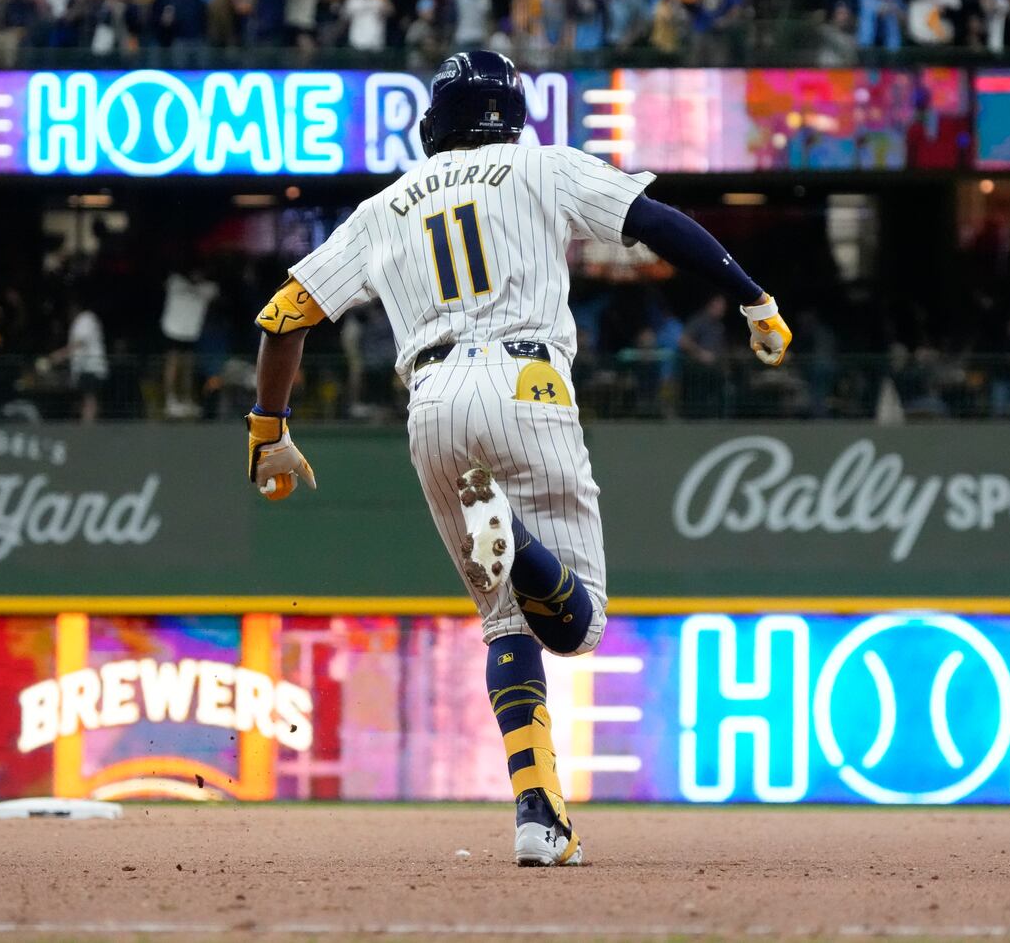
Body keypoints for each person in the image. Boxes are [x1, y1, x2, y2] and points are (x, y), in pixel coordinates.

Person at [245, 51, 791, 866]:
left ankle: (540, 815)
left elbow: (283, 314)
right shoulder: (543, 165)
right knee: (579, 625)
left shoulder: (385, 204)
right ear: (514, 113)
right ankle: (519, 543)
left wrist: (268, 430)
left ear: (434, 124)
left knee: (506, 624)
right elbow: (654, 221)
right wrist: (752, 294)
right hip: (527, 378)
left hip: (430, 404)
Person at [160, 268, 219, 418]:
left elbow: (215, 294)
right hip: (173, 330)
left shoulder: (208, 288)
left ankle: (186, 399)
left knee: (188, 366)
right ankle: (171, 401)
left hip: (191, 333)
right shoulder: (175, 282)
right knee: (173, 364)